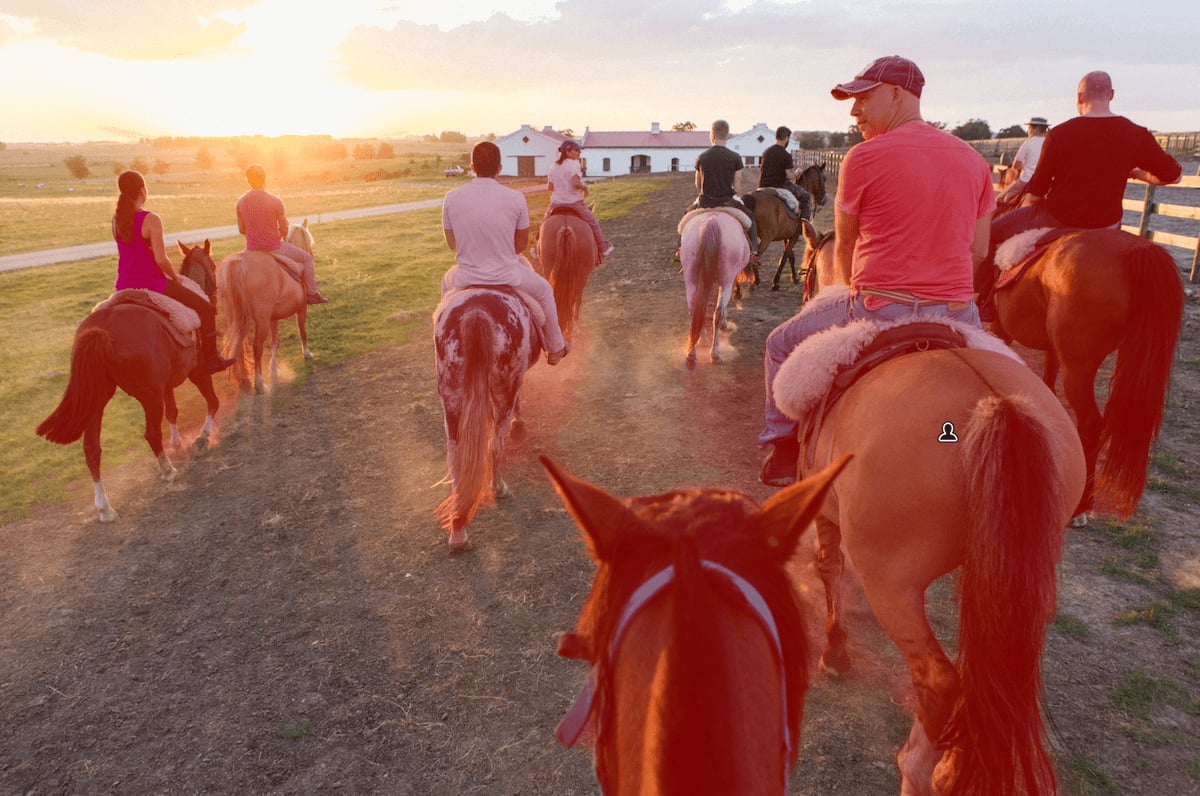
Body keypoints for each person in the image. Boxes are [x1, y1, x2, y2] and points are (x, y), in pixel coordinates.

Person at [758, 55, 995, 487]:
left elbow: (845, 247)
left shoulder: (864, 157)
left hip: (881, 311)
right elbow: (979, 251)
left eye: (863, 99)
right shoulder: (975, 162)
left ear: (896, 94)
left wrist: (857, 293)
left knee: (778, 344)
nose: (854, 112)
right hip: (959, 315)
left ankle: (784, 448)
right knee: (1010, 389)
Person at [975, 71, 1182, 319]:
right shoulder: (1136, 134)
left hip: (1058, 218)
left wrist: (1027, 203)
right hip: (1107, 224)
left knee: (991, 233)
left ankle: (982, 304)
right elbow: (1173, 175)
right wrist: (1138, 173)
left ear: (1079, 97)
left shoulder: (1060, 134)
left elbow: (1038, 191)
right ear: (1111, 95)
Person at [442, 141, 570, 365]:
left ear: (472, 167)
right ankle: (556, 347)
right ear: (499, 168)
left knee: (444, 299)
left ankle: (443, 347)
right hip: (507, 274)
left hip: (465, 275)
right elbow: (520, 245)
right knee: (545, 292)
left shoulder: (451, 198)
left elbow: (452, 245)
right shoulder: (516, 198)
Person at [111, 170, 236, 374]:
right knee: (206, 309)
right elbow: (161, 259)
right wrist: (175, 277)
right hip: (153, 283)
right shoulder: (151, 219)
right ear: (143, 191)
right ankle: (212, 359)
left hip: (124, 285)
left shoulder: (116, 221)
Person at [235, 164, 329, 305]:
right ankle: (312, 293)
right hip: (274, 246)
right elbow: (285, 229)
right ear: (265, 179)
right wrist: (276, 234)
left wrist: (256, 235)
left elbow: (242, 230)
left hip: (251, 249)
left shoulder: (240, 202)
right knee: (307, 258)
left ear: (248, 181)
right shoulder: (276, 201)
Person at [686, 119, 761, 263]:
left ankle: (680, 248)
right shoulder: (735, 157)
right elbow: (737, 186)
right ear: (727, 135)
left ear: (712, 134)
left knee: (686, 216)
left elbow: (698, 184)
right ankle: (754, 252)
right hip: (727, 202)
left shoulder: (701, 157)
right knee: (751, 218)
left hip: (705, 202)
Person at [546, 140, 613, 262]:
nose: (579, 152)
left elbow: (549, 187)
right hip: (574, 202)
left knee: (544, 225)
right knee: (593, 223)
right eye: (576, 150)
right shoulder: (574, 164)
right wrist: (584, 187)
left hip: (555, 203)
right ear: (567, 151)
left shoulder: (553, 166)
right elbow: (575, 183)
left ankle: (536, 248)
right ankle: (603, 248)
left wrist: (561, 191)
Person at [758, 125, 813, 217]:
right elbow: (790, 176)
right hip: (779, 186)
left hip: (762, 185)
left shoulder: (766, 152)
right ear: (786, 138)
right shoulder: (785, 155)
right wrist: (797, 172)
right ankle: (804, 224)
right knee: (806, 196)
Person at [995, 116, 1050, 208]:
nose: (1028, 131)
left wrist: (1022, 166)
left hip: (1027, 179)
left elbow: (1016, 165)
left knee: (1001, 198)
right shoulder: (1049, 142)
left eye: (1029, 128)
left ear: (1035, 128)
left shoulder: (1028, 143)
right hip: (1046, 182)